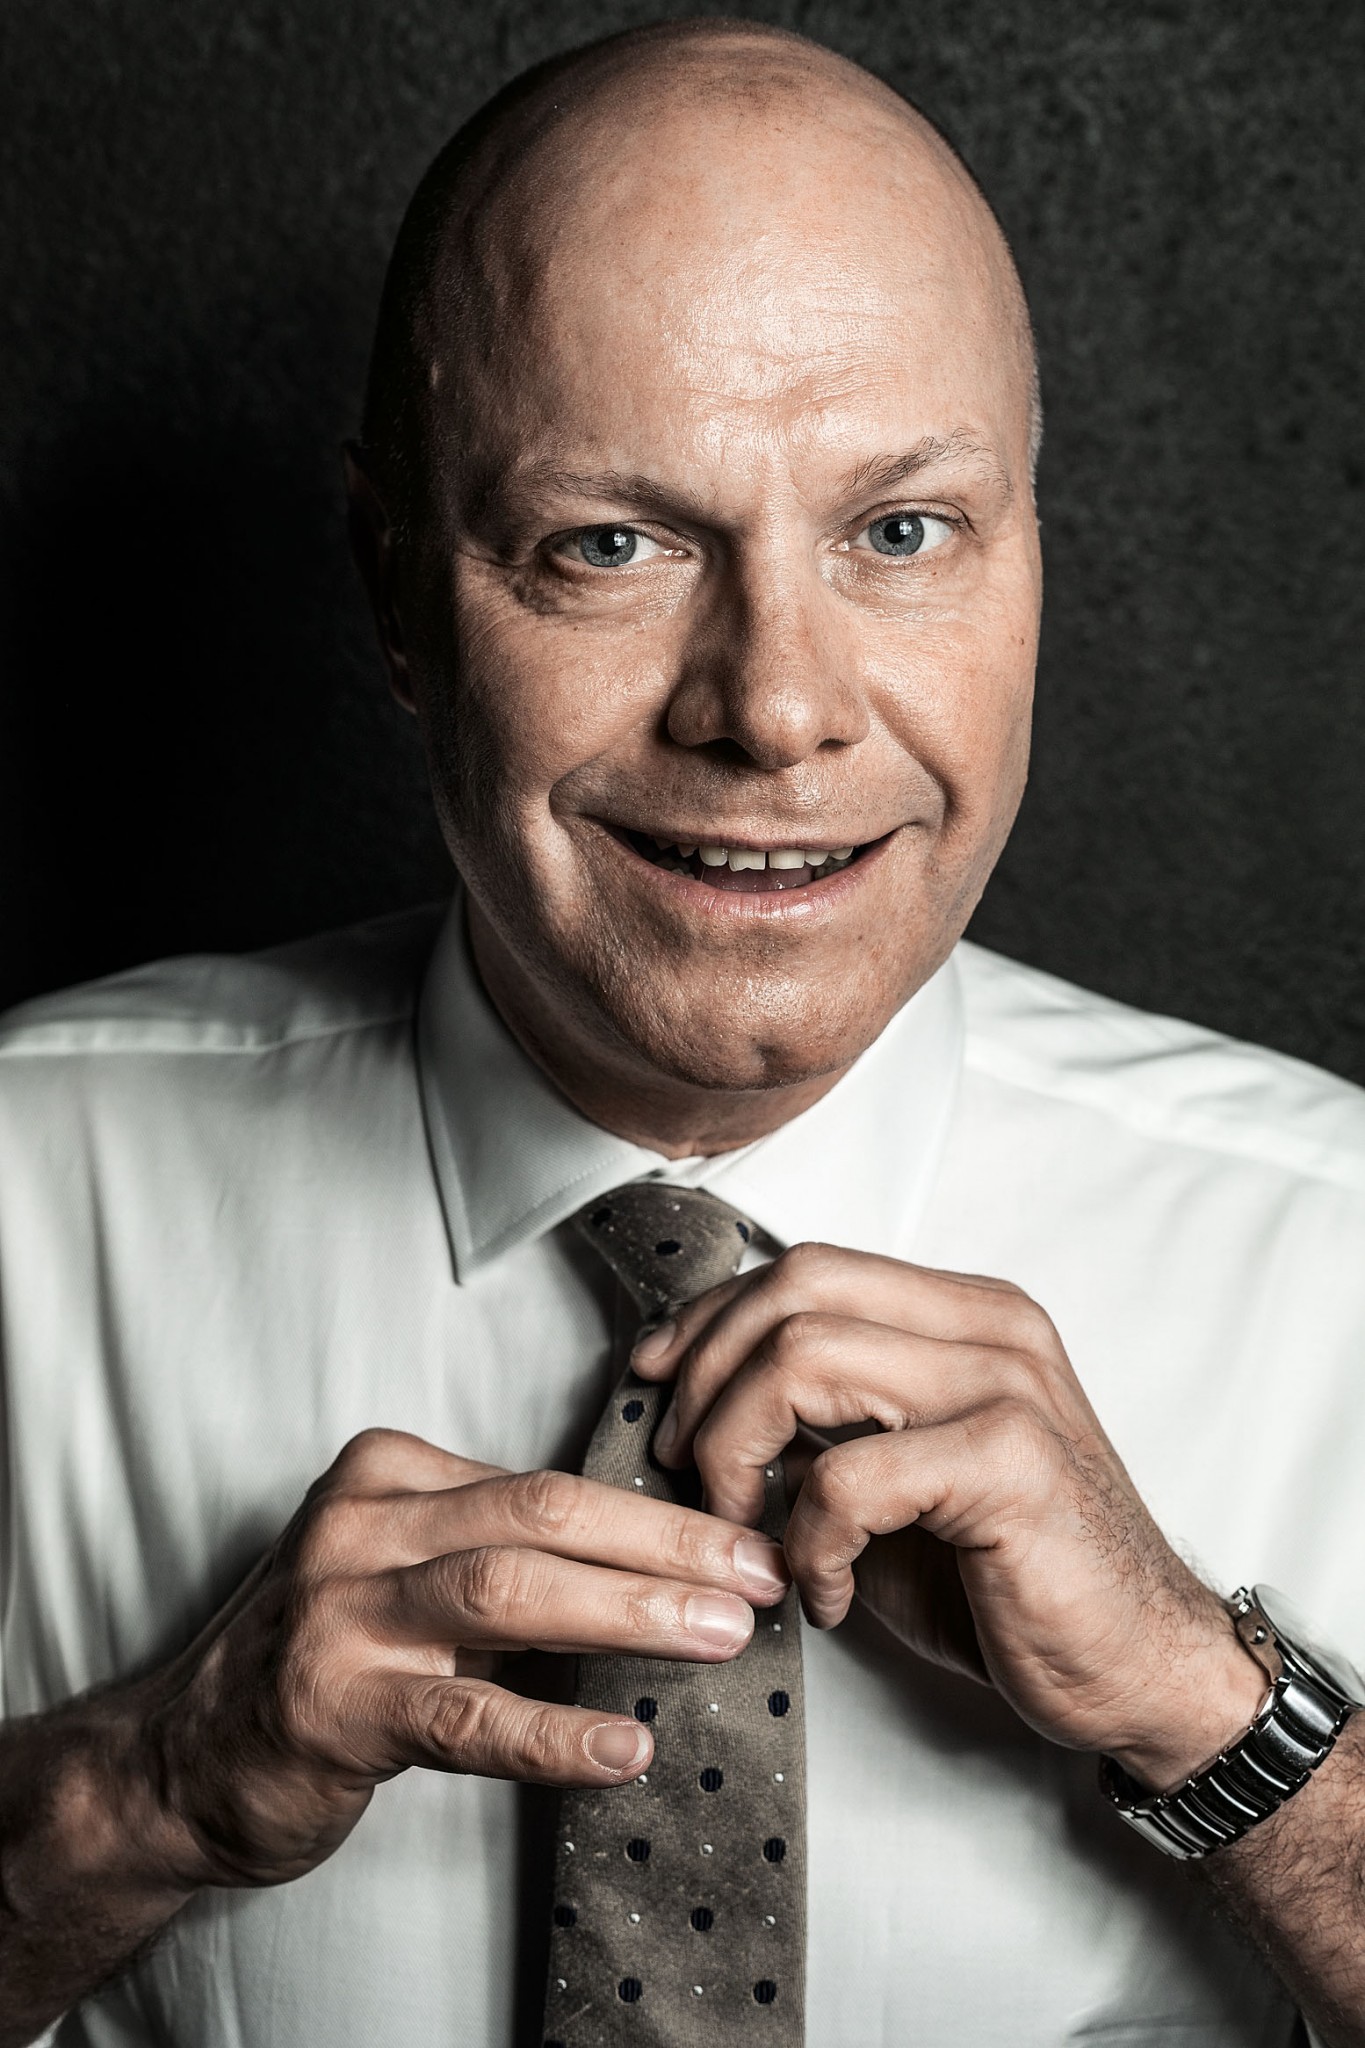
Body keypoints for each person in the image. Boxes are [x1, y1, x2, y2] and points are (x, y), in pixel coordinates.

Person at [2, 18, 1363, 2047]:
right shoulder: (20, 1207)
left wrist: (1219, 1711)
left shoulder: (1336, 1256)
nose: (777, 708)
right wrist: (131, 1800)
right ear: (396, 589)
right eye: (609, 544)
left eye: (899, 531)